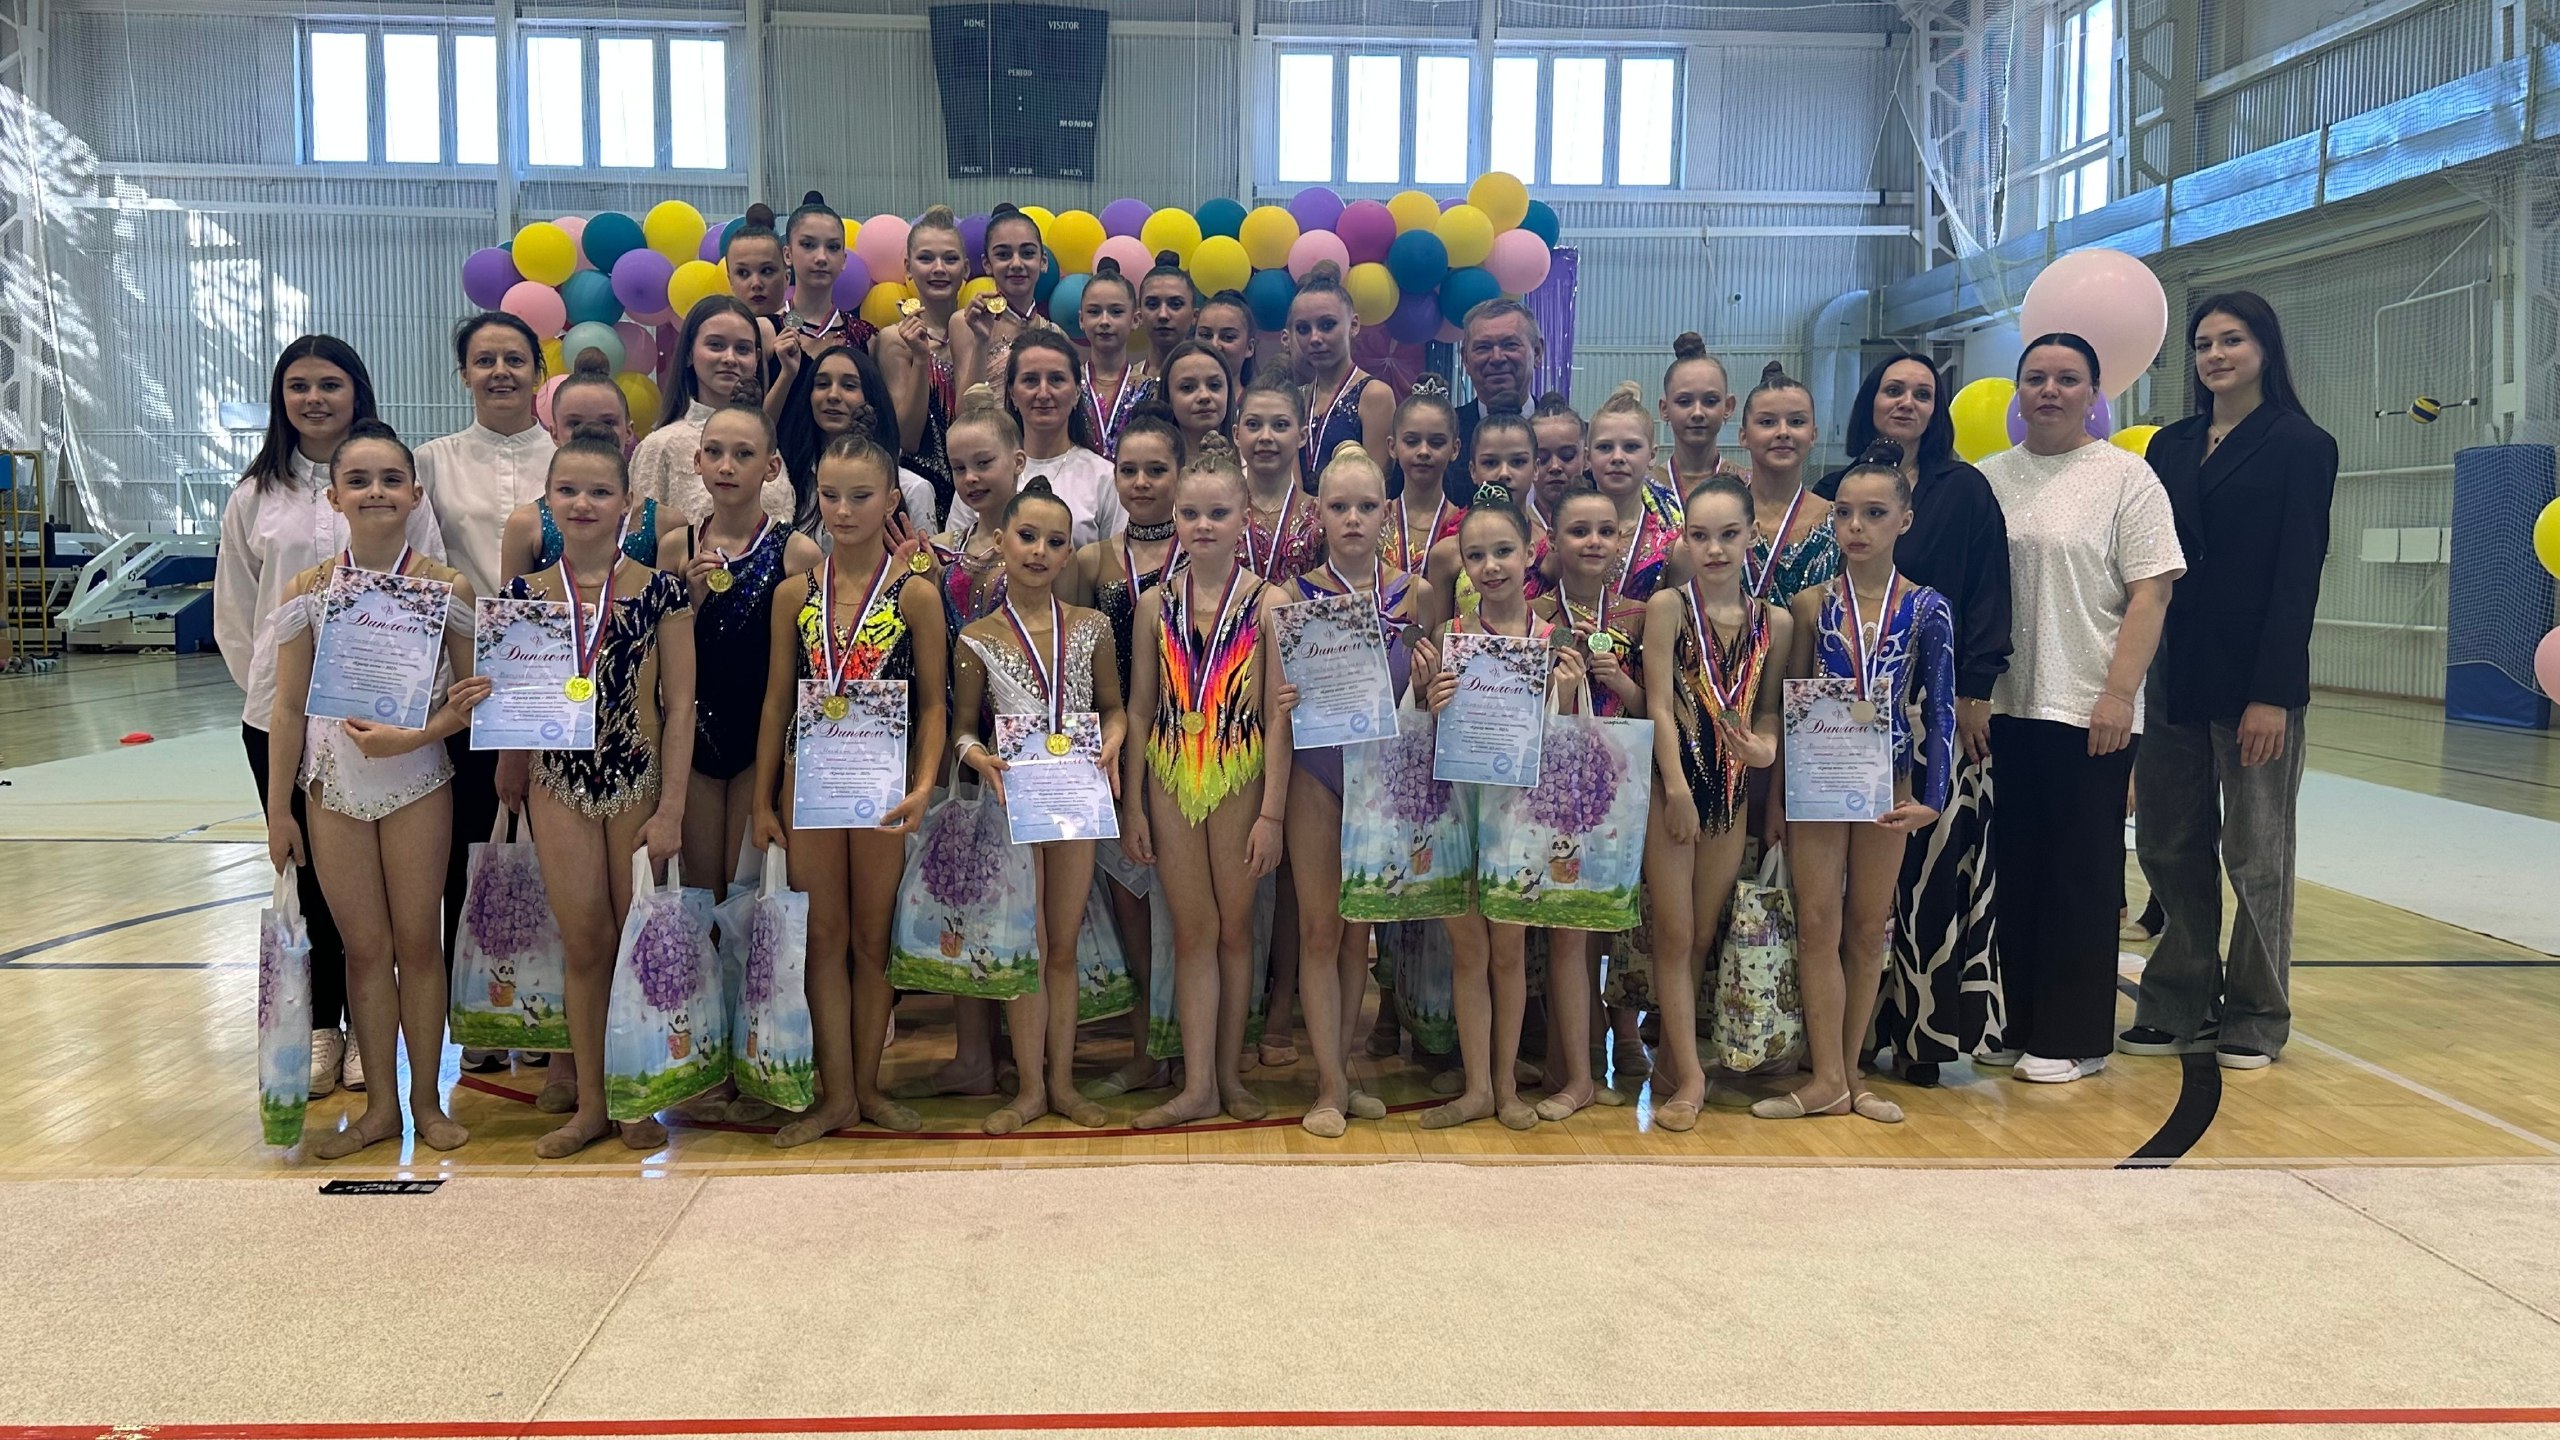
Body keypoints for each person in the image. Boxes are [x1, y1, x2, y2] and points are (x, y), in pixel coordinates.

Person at [218, 335, 440, 1099]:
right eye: (299, 385)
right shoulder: (253, 496)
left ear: (357, 392)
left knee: (399, 908)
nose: (314, 398)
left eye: (330, 384)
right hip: (286, 715)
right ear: (280, 398)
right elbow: (237, 610)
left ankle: (376, 1051)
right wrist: (279, 690)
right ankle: (322, 1028)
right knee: (314, 882)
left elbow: (431, 597)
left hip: (397, 723)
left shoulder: (398, 486)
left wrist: (414, 706)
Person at [262, 421, 488, 1157]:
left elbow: (472, 699)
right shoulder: (307, 591)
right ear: (334, 498)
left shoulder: (446, 587)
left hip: (418, 780)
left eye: (391, 479)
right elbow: (287, 709)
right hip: (333, 787)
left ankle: (427, 1101)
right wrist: (279, 810)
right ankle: (381, 1109)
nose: (376, 492)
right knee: (364, 950)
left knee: (420, 944)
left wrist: (413, 738)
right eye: (358, 481)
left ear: (416, 493)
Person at [2125, 292, 2335, 1071]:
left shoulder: (2301, 444)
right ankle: (2177, 997)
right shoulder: (2169, 446)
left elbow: (2297, 575)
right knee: (2170, 843)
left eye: (2232, 340)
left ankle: (2256, 1012)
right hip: (2173, 670)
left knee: (2257, 854)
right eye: (2204, 343)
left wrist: (2271, 694)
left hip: (2254, 677)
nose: (2215, 355)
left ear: (2265, 349)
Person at [1979, 333, 2184, 1085]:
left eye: (2068, 379)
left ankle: (2075, 1035)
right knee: (2014, 869)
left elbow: (2150, 594)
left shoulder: (2128, 479)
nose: (2050, 391)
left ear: (2094, 394)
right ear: (2018, 390)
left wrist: (2119, 694)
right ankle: (2017, 1021)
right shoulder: (1988, 479)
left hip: (2089, 706)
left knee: (2082, 873)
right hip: (2005, 706)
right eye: (2036, 377)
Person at [496, 435, 698, 1156]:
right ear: (547, 502)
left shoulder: (662, 591)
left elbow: (681, 707)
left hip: (638, 778)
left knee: (635, 943)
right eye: (568, 491)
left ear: (628, 504)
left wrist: (672, 808)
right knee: (584, 943)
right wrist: (510, 762)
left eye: (599, 492)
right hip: (558, 783)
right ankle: (590, 1105)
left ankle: (637, 1099)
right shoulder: (524, 597)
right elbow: (513, 698)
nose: (583, 504)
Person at [1814, 353, 2012, 1087]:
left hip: (1908, 747)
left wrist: (1937, 785)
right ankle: (1832, 1060)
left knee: (1894, 911)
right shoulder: (1813, 588)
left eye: (1922, 392)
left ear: (1904, 519)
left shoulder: (1960, 506)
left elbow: (1979, 614)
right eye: (1893, 389)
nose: (1906, 402)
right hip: (1824, 761)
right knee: (1822, 918)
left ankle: (1900, 1048)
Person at [754, 435, 950, 1144]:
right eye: (831, 496)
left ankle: (868, 1088)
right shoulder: (794, 595)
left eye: (861, 496)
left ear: (892, 501)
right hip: (809, 779)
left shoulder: (916, 595)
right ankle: (835, 1094)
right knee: (823, 938)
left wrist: (923, 785)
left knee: (872, 939)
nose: (843, 510)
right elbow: (777, 701)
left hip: (882, 784)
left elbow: (935, 704)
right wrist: (762, 801)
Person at [1759, 441, 1955, 1122]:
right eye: (1843, 512)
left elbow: (1941, 707)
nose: (1856, 527)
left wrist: (1932, 800)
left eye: (1874, 513)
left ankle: (1850, 1075)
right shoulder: (1811, 605)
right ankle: (1826, 1078)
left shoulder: (1927, 608)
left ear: (1905, 519)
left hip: (1888, 785)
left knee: (1869, 931)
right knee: (1817, 925)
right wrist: (1778, 800)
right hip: (1818, 779)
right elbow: (1789, 704)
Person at [951, 478, 1128, 1133]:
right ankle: (1029, 1090)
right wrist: (978, 757)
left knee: (1062, 948)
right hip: (1014, 801)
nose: (1038, 552)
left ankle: (1064, 1084)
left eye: (1055, 542)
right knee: (1028, 946)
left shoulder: (1092, 627)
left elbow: (1113, 708)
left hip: (1074, 798)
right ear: (1001, 541)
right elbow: (962, 729)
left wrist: (1114, 740)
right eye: (1027, 537)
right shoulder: (976, 637)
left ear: (1067, 554)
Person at [1122, 441, 1289, 1129]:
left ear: (1245, 516)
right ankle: (1196, 1087)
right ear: (1175, 517)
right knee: (1194, 932)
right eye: (1190, 513)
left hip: (1240, 773)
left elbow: (1280, 718)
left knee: (1235, 930)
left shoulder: (1270, 603)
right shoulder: (1153, 604)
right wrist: (1132, 803)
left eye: (1218, 513)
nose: (1203, 525)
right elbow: (1138, 708)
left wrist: (1272, 814)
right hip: (1170, 774)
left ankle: (1228, 1076)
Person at [1414, 484, 1587, 1130]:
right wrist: (1431, 700)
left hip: (1521, 815)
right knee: (1469, 952)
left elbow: (1568, 740)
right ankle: (1477, 1088)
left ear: (1530, 552)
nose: (1491, 566)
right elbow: (1431, 731)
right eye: (1477, 555)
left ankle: (1507, 1087)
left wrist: (1565, 696)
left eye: (1504, 551)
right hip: (1462, 809)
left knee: (1509, 953)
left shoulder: (1555, 638)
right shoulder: (1451, 634)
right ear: (1462, 563)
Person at [412, 313, 558, 1071]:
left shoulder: (566, 458)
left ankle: (540, 1010)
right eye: (484, 360)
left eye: (514, 359)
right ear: (463, 374)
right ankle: (480, 1016)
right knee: (471, 848)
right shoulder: (432, 462)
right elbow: (420, 568)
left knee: (549, 852)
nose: (500, 371)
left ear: (539, 371)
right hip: (465, 679)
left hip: (556, 681)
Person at [1280, 443, 1434, 1135]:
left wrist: (1430, 684)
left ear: (1385, 513)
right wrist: (1281, 698)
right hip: (1316, 775)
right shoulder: (1291, 598)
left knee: (1356, 936)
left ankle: (1342, 1071)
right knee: (1319, 931)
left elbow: (1427, 701)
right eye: (1338, 506)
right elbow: (1274, 706)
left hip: (1380, 776)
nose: (1352, 519)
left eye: (1366, 506)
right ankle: (1328, 1086)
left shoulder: (1415, 594)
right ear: (1317, 513)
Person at [1639, 473, 1788, 1130]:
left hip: (1732, 792)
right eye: (1700, 536)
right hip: (1671, 787)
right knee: (1673, 934)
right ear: (1684, 540)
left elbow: (1771, 709)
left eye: (1729, 535)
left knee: (1701, 933)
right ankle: (1693, 1077)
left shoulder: (1775, 623)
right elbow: (1658, 705)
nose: (1716, 549)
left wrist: (1766, 748)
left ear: (1753, 534)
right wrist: (1674, 788)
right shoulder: (1668, 607)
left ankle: (1672, 1063)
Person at [1068, 405, 1186, 1101]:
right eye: (1130, 470)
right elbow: (1066, 657)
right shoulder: (1091, 562)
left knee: (1188, 911)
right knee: (1131, 907)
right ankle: (1147, 1048)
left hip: (1188, 748)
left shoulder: (1201, 555)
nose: (1141, 483)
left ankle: (1197, 1046)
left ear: (1179, 474)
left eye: (1156, 470)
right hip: (1112, 751)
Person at [1527, 481, 1648, 1120]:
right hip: (1552, 793)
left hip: (1618, 795)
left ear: (1621, 538)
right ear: (1553, 540)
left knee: (1602, 933)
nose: (1593, 541)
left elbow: (1658, 710)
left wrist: (1620, 683)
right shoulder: (1533, 618)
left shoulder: (1640, 615)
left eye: (1605, 530)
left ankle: (1587, 1063)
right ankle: (1575, 1073)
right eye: (1579, 531)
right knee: (1566, 935)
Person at [669, 405, 823, 902]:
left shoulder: (796, 553)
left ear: (771, 467)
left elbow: (810, 662)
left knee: (747, 895)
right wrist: (691, 603)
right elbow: (658, 658)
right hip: (692, 735)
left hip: (761, 738)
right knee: (701, 892)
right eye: (714, 452)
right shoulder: (676, 547)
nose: (726, 466)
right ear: (697, 461)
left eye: (742, 454)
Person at [940, 331, 1123, 547]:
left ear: (1076, 392)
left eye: (1056, 379)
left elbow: (1116, 561)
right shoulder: (978, 473)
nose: (1043, 393)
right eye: (1030, 380)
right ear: (1012, 393)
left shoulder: (1104, 478)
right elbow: (953, 553)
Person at [632, 294, 773, 522]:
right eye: (716, 345)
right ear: (689, 353)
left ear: (756, 359)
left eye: (742, 349)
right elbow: (640, 536)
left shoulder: (767, 441)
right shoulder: (661, 446)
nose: (730, 358)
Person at [775, 343, 937, 536]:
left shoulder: (912, 489)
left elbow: (926, 555)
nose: (833, 395)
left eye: (849, 386)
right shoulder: (787, 477)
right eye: (822, 384)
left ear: (872, 396)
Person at [876, 206, 969, 522]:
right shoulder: (895, 340)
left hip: (977, 485)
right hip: (921, 495)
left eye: (950, 259)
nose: (939, 268)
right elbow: (908, 438)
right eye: (926, 258)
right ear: (908, 267)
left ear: (966, 269)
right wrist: (920, 358)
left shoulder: (978, 333)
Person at [1738, 361, 1838, 609]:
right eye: (1767, 422)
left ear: (1813, 435)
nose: (1783, 432)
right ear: (1743, 436)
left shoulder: (1838, 521)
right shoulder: (1718, 519)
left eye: (1796, 422)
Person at [1426, 411, 1543, 615]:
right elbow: (1440, 632)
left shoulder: (1548, 550)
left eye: (1517, 462)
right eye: (1490, 463)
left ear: (1535, 468)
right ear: (1473, 471)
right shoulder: (1447, 553)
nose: (1504, 473)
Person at [1288, 263, 1393, 476]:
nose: (1314, 338)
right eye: (1303, 329)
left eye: (1327, 325)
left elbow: (1376, 484)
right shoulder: (1296, 398)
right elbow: (1289, 484)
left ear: (1353, 325)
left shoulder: (1374, 395)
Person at [1584, 382, 1685, 603]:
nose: (1617, 457)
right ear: (1587, 457)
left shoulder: (1675, 535)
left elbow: (1683, 612)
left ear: (1652, 455)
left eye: (1631, 447)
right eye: (1605, 447)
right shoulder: (1568, 529)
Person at [957, 202, 1056, 392]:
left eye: (1027, 253)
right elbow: (963, 407)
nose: (1016, 263)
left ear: (1043, 261)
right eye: (1003, 255)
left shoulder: (1056, 334)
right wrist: (981, 342)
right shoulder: (965, 324)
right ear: (987, 264)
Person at [1235, 372, 1324, 581]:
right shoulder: (1217, 512)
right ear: (1236, 434)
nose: (1266, 437)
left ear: (1302, 436)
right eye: (1253, 424)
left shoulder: (1320, 514)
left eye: (1280, 425)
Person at [1452, 298, 1545, 483]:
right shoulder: (1442, 437)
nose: (1497, 358)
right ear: (1465, 359)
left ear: (1537, 352)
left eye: (1510, 345)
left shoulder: (1572, 438)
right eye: (1483, 347)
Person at [1077, 256, 1154, 459]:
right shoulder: (1068, 385)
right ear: (1081, 320)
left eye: (1116, 312)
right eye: (1094, 312)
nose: (1104, 321)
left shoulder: (1150, 390)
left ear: (1135, 319)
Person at [1384, 380, 1463, 576]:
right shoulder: (1377, 520)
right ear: (1392, 447)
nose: (1423, 451)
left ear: (1455, 449)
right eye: (1412, 441)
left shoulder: (1464, 526)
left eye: (1436, 443)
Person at [1656, 334, 1746, 492]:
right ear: (1664, 409)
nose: (1697, 413)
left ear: (1728, 406)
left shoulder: (1746, 485)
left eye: (1710, 401)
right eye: (1684, 402)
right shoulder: (1645, 487)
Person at [1156, 339, 1234, 462]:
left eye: (1214, 385)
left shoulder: (1250, 464)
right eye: (1187, 387)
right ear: (1168, 397)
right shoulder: (1151, 466)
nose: (1204, 396)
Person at [724, 202, 790, 326]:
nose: (756, 284)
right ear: (730, 280)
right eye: (743, 273)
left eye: (767, 271)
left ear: (787, 277)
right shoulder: (717, 332)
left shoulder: (808, 332)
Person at [1528, 392, 1585, 532]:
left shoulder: (1605, 525)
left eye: (1567, 456)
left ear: (1586, 458)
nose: (1555, 466)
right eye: (1542, 458)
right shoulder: (1516, 527)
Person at [1138, 252, 1200, 370]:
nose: (1163, 315)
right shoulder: (1126, 379)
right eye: (1152, 304)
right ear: (1139, 315)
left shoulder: (1209, 377)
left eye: (1175, 304)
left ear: (1195, 316)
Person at [1193, 289, 1256, 388]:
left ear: (1250, 347)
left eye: (1228, 337)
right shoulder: (1175, 396)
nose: (1214, 345)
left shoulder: (1259, 398)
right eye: (1205, 335)